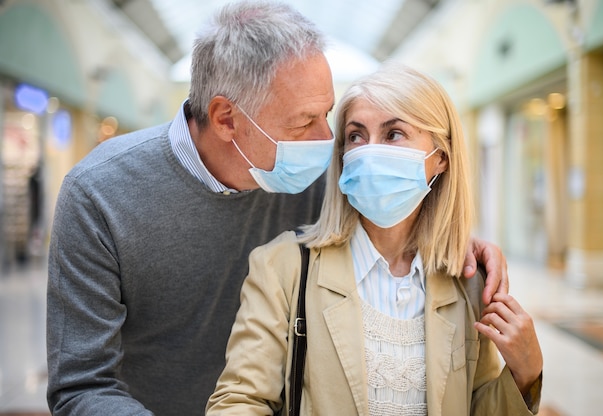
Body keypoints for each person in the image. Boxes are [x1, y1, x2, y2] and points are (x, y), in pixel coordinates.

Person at [47, 2, 509, 416]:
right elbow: (81, 385)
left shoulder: (309, 177)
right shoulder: (98, 195)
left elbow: (393, 212)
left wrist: (461, 246)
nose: (327, 141)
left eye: (327, 116)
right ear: (227, 118)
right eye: (304, 121)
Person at [206, 63, 543, 416]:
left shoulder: (468, 282)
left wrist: (525, 373)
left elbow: (477, 407)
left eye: (393, 133)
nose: (368, 151)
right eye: (356, 136)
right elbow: (239, 402)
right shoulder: (283, 267)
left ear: (440, 157)